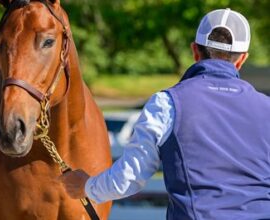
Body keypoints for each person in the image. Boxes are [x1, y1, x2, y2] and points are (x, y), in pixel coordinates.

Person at [59, 8, 270, 219]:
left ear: (195, 50)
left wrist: (85, 186)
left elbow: (128, 178)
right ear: (242, 59)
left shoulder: (167, 103)